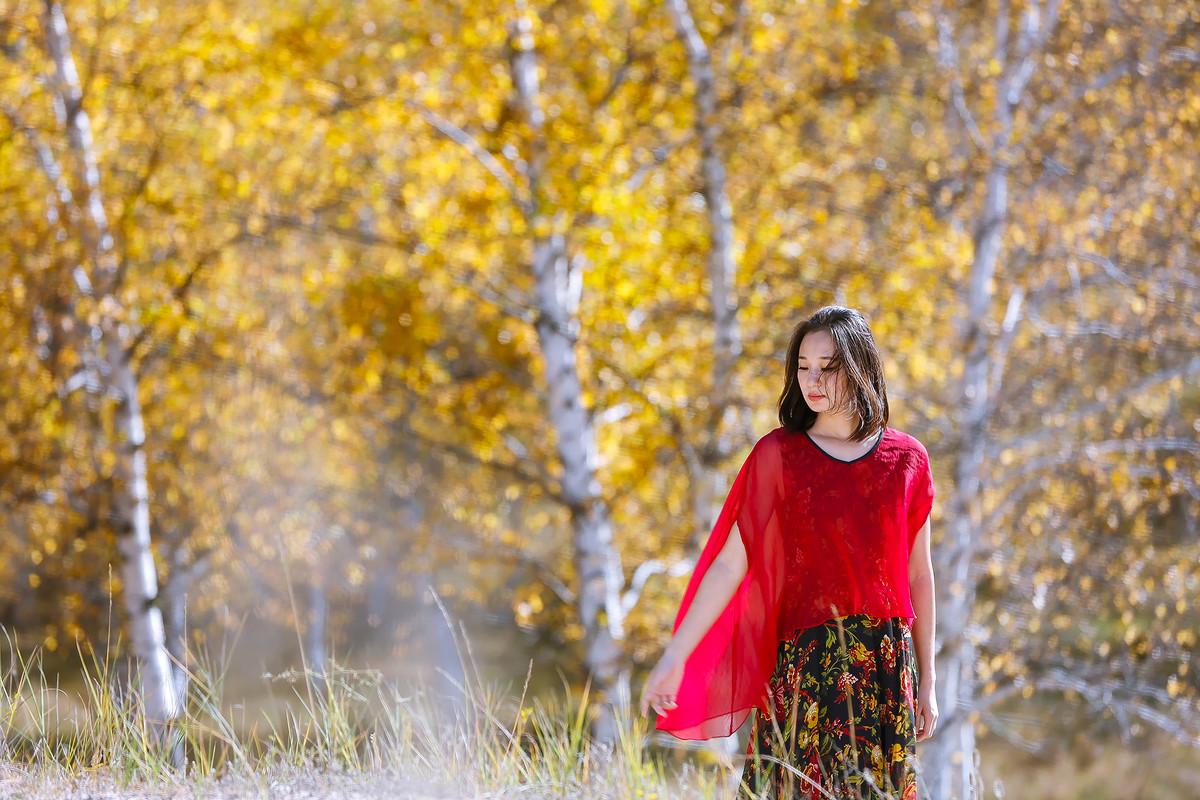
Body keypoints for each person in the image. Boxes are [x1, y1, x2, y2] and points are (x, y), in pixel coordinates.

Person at [639, 306, 938, 800]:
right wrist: (676, 655)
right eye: (802, 366)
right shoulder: (779, 456)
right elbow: (732, 565)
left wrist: (929, 681)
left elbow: (919, 577)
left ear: (860, 366)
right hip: (805, 669)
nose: (811, 379)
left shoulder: (907, 460)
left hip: (885, 670)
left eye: (827, 366)